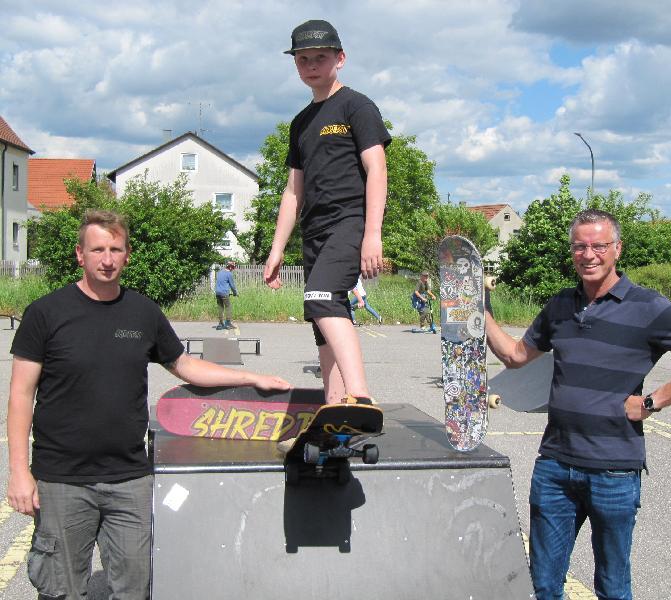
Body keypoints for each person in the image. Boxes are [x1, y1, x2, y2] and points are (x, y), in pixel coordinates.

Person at [6, 210, 290, 600]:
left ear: (127, 254)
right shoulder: (45, 314)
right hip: (62, 480)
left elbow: (184, 365)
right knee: (61, 591)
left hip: (129, 479)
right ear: (80, 254)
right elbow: (21, 396)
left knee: (135, 589)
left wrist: (251, 378)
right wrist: (20, 473)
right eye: (98, 249)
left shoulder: (142, 312)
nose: (107, 259)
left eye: (115, 249)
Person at [485, 209, 671, 600]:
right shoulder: (560, 306)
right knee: (544, 584)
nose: (589, 254)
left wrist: (653, 401)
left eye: (599, 245)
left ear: (617, 249)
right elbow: (516, 357)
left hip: (614, 472)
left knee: (613, 588)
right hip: (555, 466)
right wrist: (476, 310)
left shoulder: (647, 306)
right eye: (580, 246)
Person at [263, 19, 391, 404]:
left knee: (320, 297)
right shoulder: (301, 123)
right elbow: (292, 191)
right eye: (303, 59)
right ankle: (334, 406)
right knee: (322, 318)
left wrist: (372, 233)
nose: (311, 65)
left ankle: (360, 397)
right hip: (314, 231)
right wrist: (276, 248)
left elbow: (377, 168)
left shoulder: (357, 106)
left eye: (320, 57)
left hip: (349, 222)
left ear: (340, 58)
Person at [215, 260, 239, 330]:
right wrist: (235, 293)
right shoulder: (229, 274)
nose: (233, 269)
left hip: (217, 293)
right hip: (224, 293)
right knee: (228, 307)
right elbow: (232, 286)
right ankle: (228, 323)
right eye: (233, 267)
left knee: (220, 308)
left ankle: (220, 324)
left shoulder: (220, 272)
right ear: (230, 267)